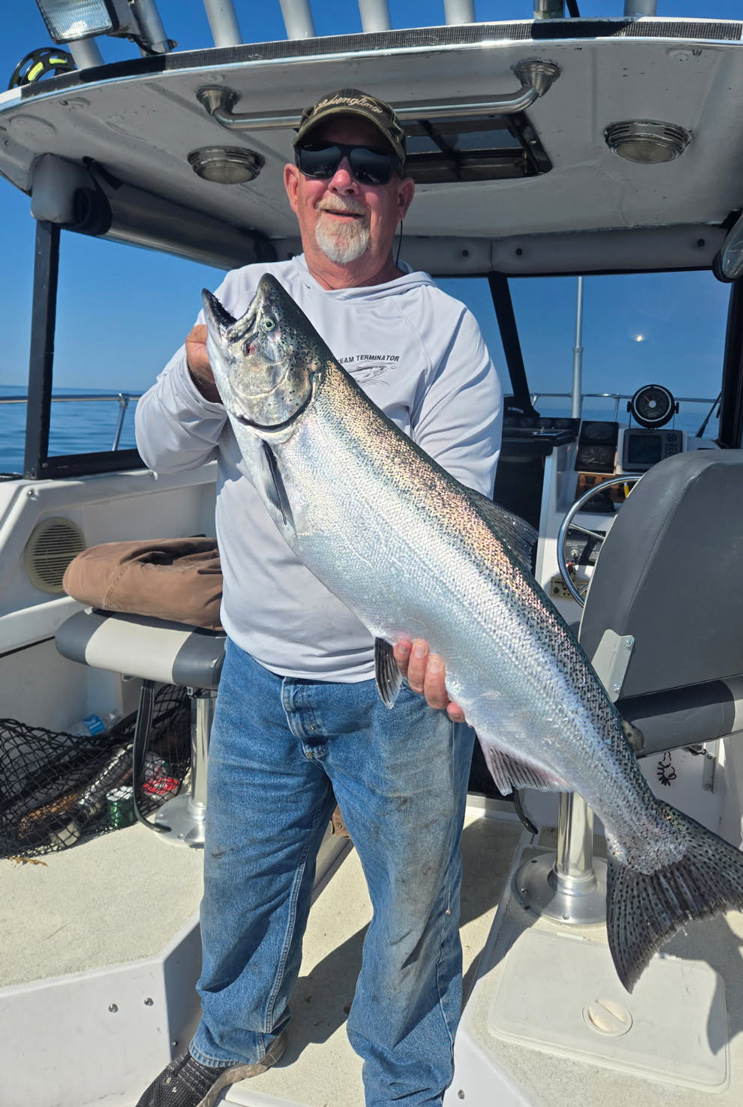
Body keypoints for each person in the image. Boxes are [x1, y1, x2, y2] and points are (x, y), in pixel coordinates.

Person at [133, 88, 502, 1107]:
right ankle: (233, 1033)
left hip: (395, 690)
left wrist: (445, 639)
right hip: (258, 667)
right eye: (324, 160)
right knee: (242, 881)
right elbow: (159, 447)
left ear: (401, 197)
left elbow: (464, 521)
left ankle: (405, 1075)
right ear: (295, 187)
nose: (347, 179)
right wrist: (202, 376)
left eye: (371, 166)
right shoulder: (249, 299)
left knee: (415, 903)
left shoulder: (446, 331)